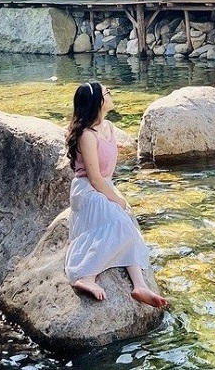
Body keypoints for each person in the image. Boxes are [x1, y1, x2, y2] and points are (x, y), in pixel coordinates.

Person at [64, 81, 167, 308]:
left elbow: (106, 175)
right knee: (120, 222)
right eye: (107, 93)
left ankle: (139, 285)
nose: (111, 95)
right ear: (98, 102)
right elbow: (94, 178)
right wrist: (117, 199)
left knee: (128, 227)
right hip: (88, 190)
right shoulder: (86, 135)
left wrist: (116, 197)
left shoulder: (108, 127)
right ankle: (87, 277)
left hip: (105, 185)